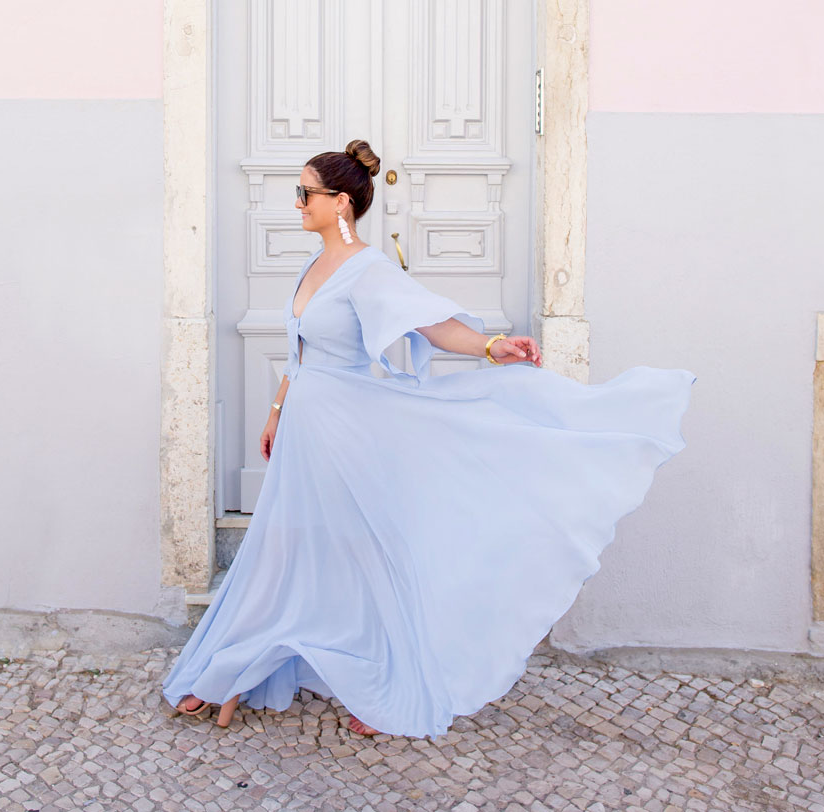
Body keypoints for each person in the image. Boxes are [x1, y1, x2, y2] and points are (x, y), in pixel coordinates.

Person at [162, 140, 695, 739]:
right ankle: (237, 667)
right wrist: (275, 411)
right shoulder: (312, 265)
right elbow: (299, 350)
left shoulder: (368, 269)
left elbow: (431, 326)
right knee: (285, 544)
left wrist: (492, 347)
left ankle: (372, 679)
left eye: (305, 193)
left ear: (341, 202)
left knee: (359, 548)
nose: (296, 203)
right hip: (306, 426)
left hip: (350, 429)